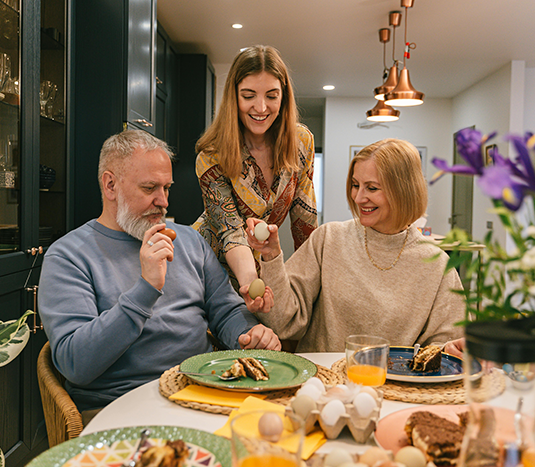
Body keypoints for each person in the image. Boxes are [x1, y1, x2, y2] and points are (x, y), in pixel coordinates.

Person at [38, 129, 280, 415]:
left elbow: (226, 311)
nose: (163, 201)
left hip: (202, 392)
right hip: (119, 408)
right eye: (149, 188)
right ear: (110, 185)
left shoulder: (189, 241)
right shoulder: (69, 255)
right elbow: (75, 364)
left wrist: (248, 333)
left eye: (167, 188)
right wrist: (146, 288)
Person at [246, 139, 465, 353]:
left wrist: (450, 350)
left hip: (394, 387)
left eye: (372, 188)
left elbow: (445, 346)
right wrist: (271, 255)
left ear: (403, 190)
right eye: (355, 185)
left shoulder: (437, 264)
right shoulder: (328, 239)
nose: (359, 198)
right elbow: (284, 322)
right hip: (322, 381)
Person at [193, 45, 318, 312]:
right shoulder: (211, 155)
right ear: (233, 97)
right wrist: (251, 282)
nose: (261, 107)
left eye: (272, 96)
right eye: (248, 96)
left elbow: (305, 221)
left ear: (283, 97)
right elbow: (231, 232)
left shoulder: (301, 142)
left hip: (262, 265)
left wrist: (313, 285)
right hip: (210, 267)